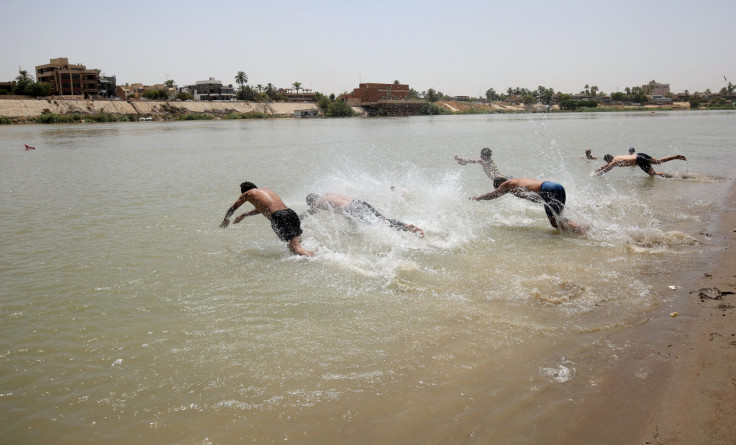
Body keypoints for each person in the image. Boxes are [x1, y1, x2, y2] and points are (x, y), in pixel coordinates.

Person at [220, 181, 313, 257]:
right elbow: (263, 209)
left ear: (244, 192)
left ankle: (316, 260)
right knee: (297, 244)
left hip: (280, 217)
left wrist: (226, 219)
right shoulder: (265, 190)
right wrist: (244, 215)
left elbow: (233, 208)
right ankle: (306, 259)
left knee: (296, 249)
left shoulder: (247, 194)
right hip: (291, 213)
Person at [470, 177, 587, 235]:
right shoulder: (516, 182)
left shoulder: (506, 184)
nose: (502, 191)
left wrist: (478, 198)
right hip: (555, 186)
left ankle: (583, 232)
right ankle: (584, 228)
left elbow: (493, 194)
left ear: (499, 185)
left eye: (500, 189)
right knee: (559, 218)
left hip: (547, 190)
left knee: (555, 223)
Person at [302, 193, 425, 238]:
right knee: (383, 220)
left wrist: (298, 218)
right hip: (358, 202)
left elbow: (309, 212)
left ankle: (360, 239)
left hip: (351, 209)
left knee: (373, 226)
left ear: (312, 201)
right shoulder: (328, 194)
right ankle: (406, 226)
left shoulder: (317, 203)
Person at [594, 153, 687, 177]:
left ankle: (672, 176)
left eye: (607, 161)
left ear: (608, 159)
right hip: (640, 155)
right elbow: (605, 166)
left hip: (639, 160)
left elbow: (607, 169)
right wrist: (596, 170)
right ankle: (675, 157)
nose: (607, 163)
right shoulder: (617, 157)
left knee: (653, 174)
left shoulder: (613, 162)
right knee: (658, 161)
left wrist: (597, 174)